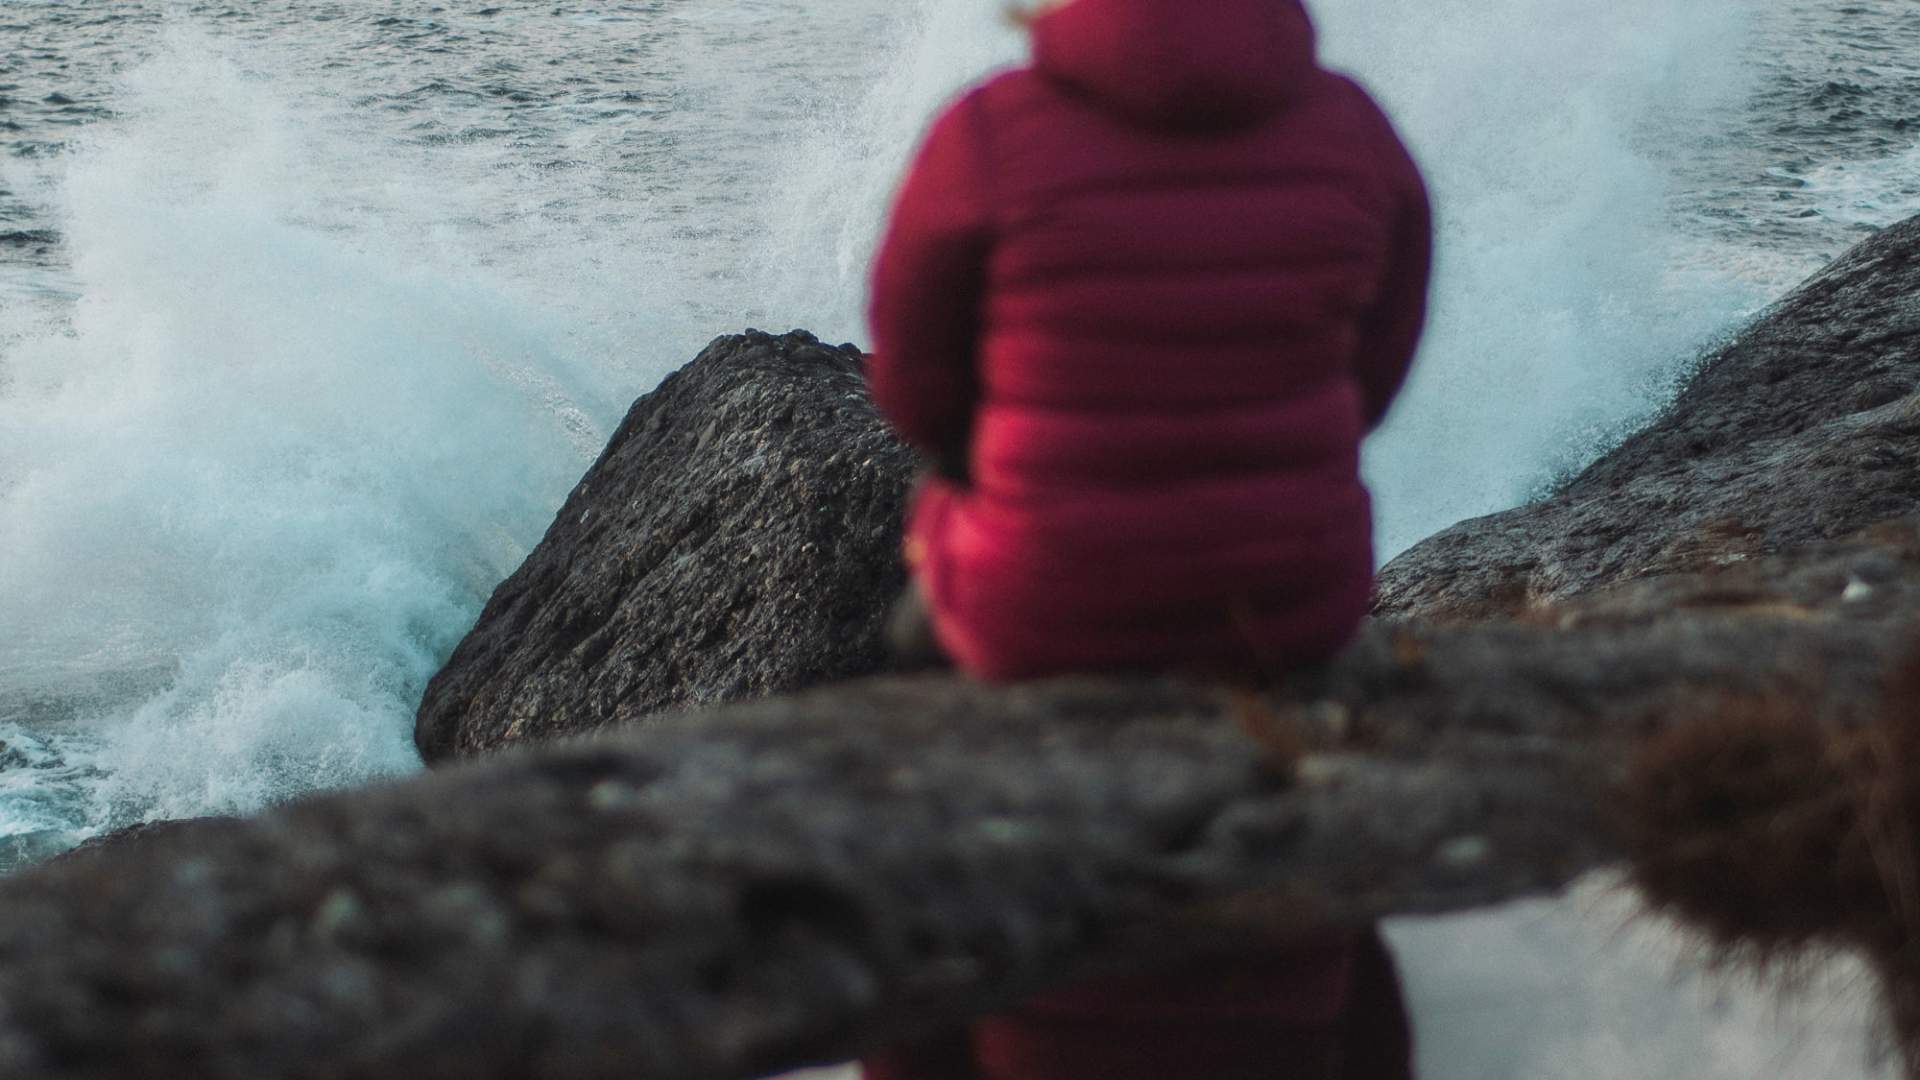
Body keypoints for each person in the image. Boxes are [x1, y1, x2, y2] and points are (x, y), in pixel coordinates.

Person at [862, 0, 1432, 1073]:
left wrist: (977, 476)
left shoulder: (990, 131)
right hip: (1289, 598)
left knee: (923, 596)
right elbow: (1376, 373)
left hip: (1052, 608)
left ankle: (942, 819)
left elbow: (914, 387)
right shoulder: (1354, 126)